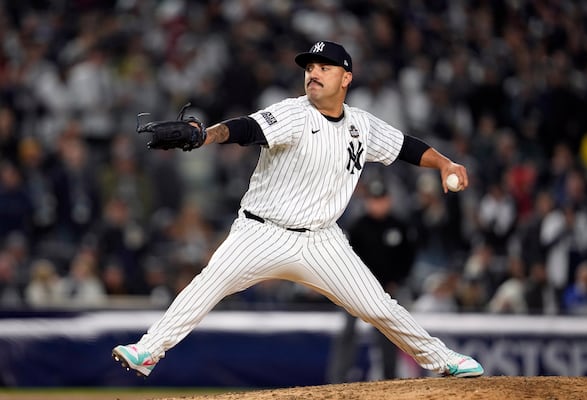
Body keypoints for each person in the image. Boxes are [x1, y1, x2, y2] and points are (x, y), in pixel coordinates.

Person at [112, 40, 484, 379]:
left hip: (321, 240)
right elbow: (245, 129)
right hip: (261, 232)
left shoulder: (361, 126)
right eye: (309, 68)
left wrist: (444, 164)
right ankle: (147, 350)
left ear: (346, 78)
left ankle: (442, 360)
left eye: (324, 67)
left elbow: (407, 146)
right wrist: (204, 134)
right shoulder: (293, 113)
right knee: (207, 285)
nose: (314, 73)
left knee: (378, 307)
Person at [326, 178, 417, 382]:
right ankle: (337, 380)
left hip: (387, 289)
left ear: (388, 201)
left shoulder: (399, 226)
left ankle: (389, 378)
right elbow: (346, 256)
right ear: (368, 202)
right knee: (348, 332)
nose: (377, 204)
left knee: (390, 334)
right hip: (357, 288)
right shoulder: (358, 226)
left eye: (380, 199)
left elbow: (408, 257)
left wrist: (397, 280)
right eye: (373, 200)